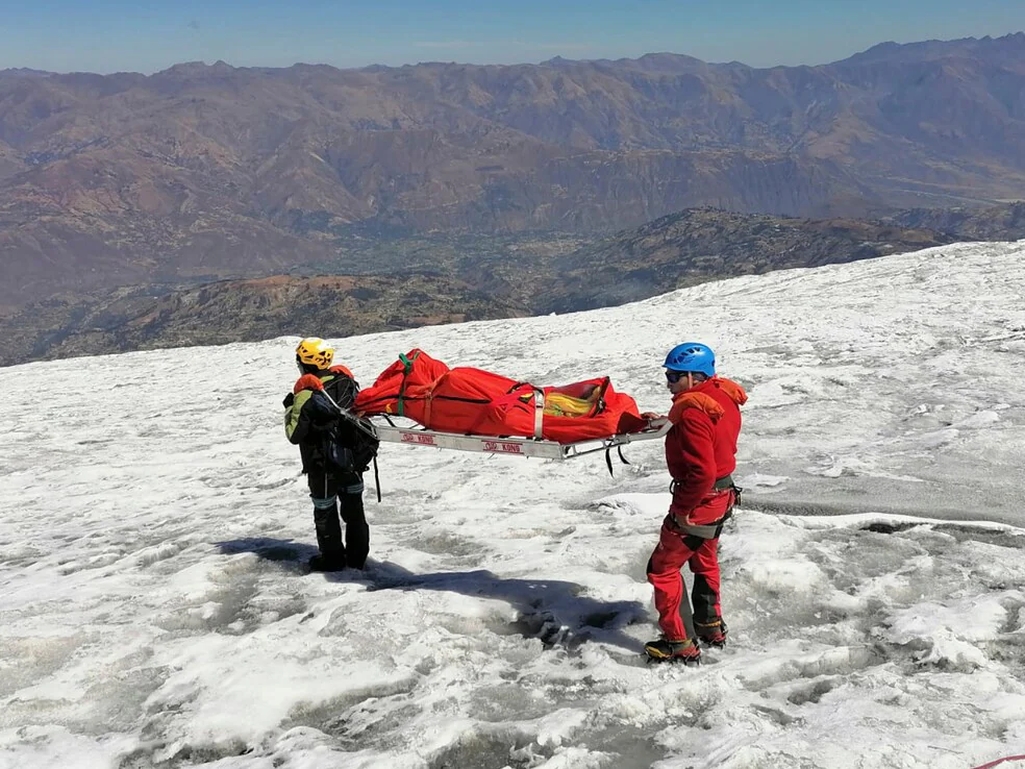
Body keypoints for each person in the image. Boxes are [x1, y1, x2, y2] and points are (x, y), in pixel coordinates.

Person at [642, 342, 747, 664]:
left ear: (692, 375)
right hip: (723, 495)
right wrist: (667, 421)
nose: (669, 383)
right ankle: (710, 625)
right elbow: (710, 430)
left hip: (701, 500)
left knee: (662, 569)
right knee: (704, 560)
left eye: (674, 376)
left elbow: (701, 472)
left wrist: (682, 511)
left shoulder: (691, 411)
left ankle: (678, 643)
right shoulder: (720, 394)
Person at [283, 337, 370, 572]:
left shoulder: (305, 394)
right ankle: (357, 559)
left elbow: (294, 434)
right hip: (352, 461)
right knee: (354, 510)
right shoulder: (347, 383)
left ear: (304, 362)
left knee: (325, 511)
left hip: (322, 466)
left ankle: (332, 561)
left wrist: (290, 407)